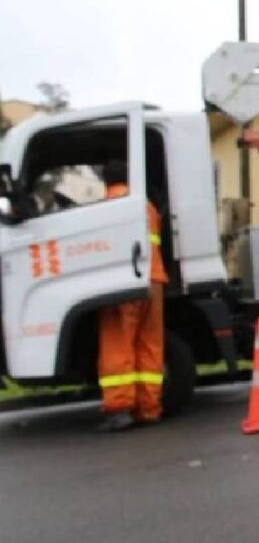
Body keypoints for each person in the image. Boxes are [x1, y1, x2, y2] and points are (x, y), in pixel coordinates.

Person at [96, 159, 169, 431]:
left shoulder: (107, 206)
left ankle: (120, 408)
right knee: (149, 345)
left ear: (105, 181)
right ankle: (149, 408)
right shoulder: (145, 205)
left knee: (119, 345)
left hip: (124, 283)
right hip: (154, 280)